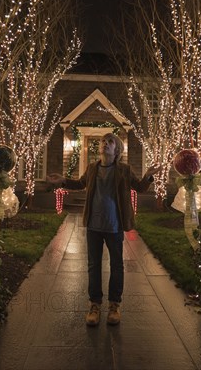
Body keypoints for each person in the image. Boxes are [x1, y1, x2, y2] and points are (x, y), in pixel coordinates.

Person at [47, 133, 160, 326]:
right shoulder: (92, 168)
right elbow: (80, 184)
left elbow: (140, 188)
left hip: (114, 226)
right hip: (94, 226)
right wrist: (63, 181)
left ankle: (114, 305)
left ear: (117, 150)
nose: (105, 144)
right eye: (103, 141)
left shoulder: (124, 170)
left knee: (117, 265)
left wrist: (148, 176)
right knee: (93, 265)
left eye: (110, 142)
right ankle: (95, 304)